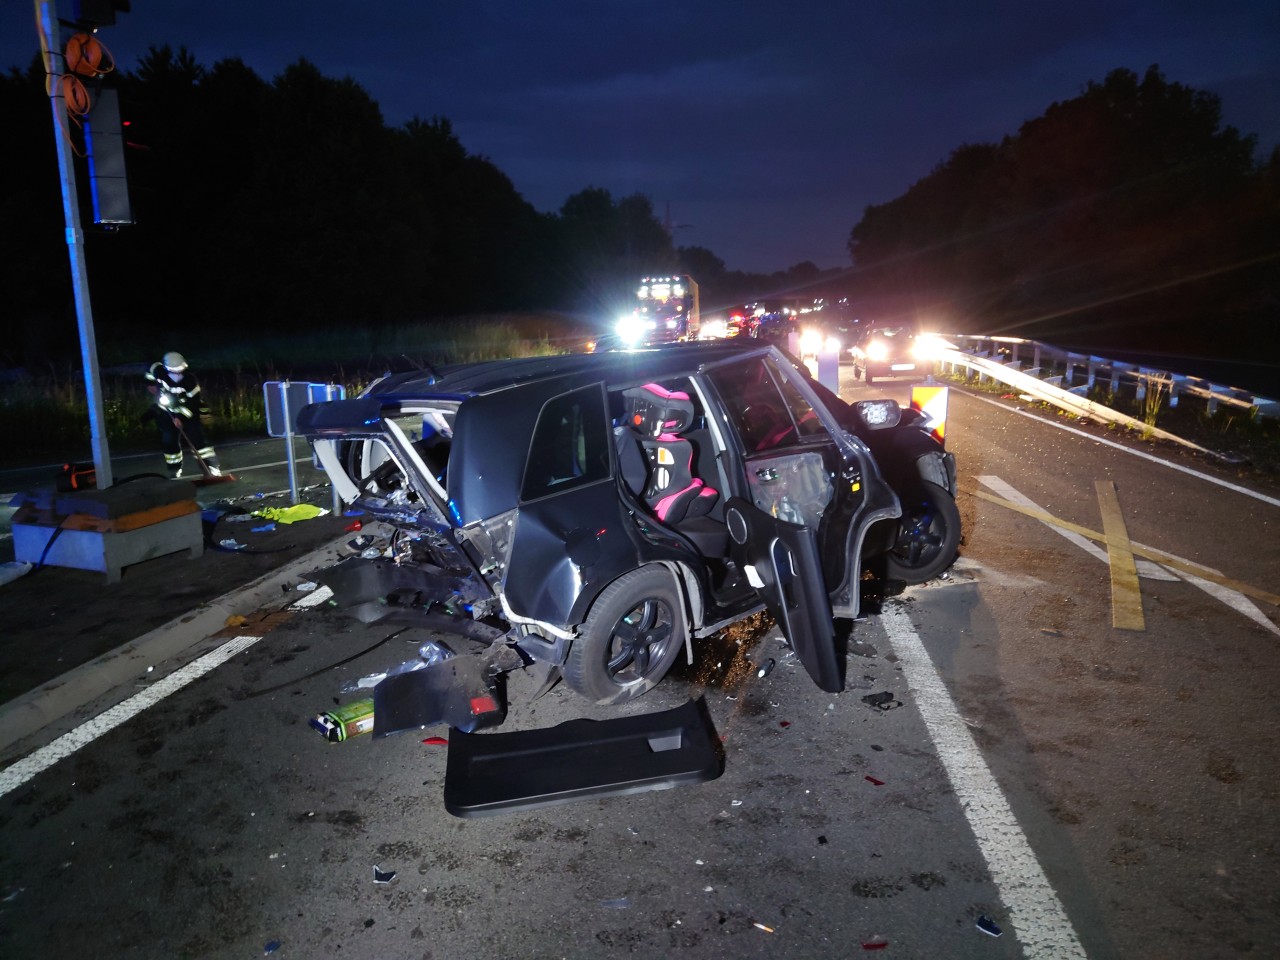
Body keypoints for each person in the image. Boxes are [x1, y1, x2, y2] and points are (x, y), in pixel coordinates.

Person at [144, 351, 222, 478]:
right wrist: (150, 384)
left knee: (198, 440)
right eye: (174, 371)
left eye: (180, 370)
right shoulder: (159, 371)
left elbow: (193, 404)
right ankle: (174, 470)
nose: (177, 374)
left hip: (188, 414)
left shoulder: (190, 381)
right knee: (169, 441)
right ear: (166, 368)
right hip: (166, 412)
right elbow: (149, 368)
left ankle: (212, 468)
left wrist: (180, 418)